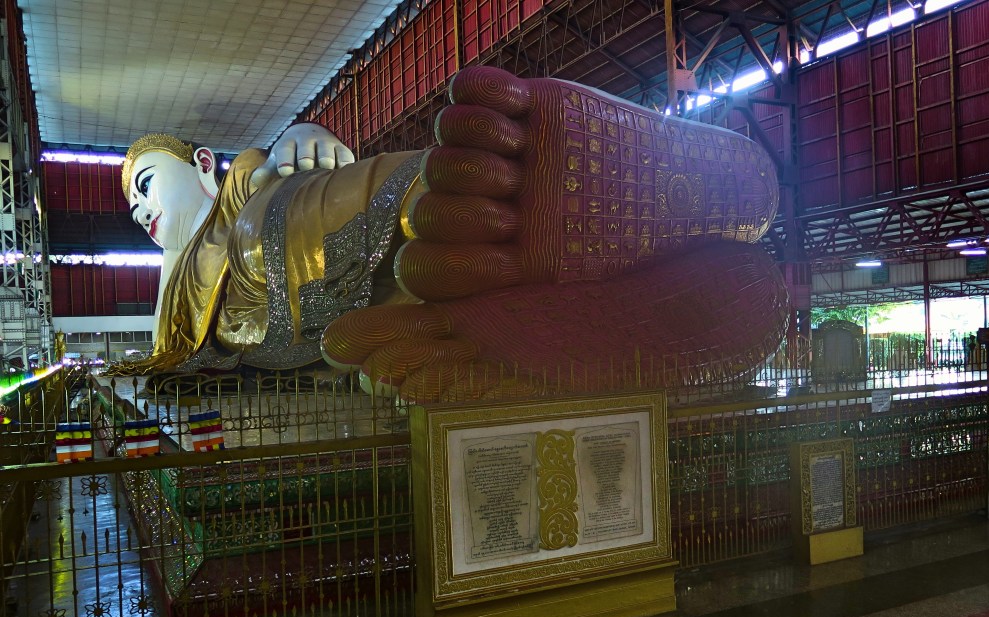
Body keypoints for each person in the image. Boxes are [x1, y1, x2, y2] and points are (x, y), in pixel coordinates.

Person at [113, 66, 789, 400]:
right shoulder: (175, 299)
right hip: (292, 336)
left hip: (282, 256)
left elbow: (261, 174)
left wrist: (306, 134)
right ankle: (518, 282)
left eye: (146, 185)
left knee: (268, 233)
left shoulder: (236, 185)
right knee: (422, 299)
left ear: (201, 163)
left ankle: (492, 205)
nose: (143, 214)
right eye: (133, 210)